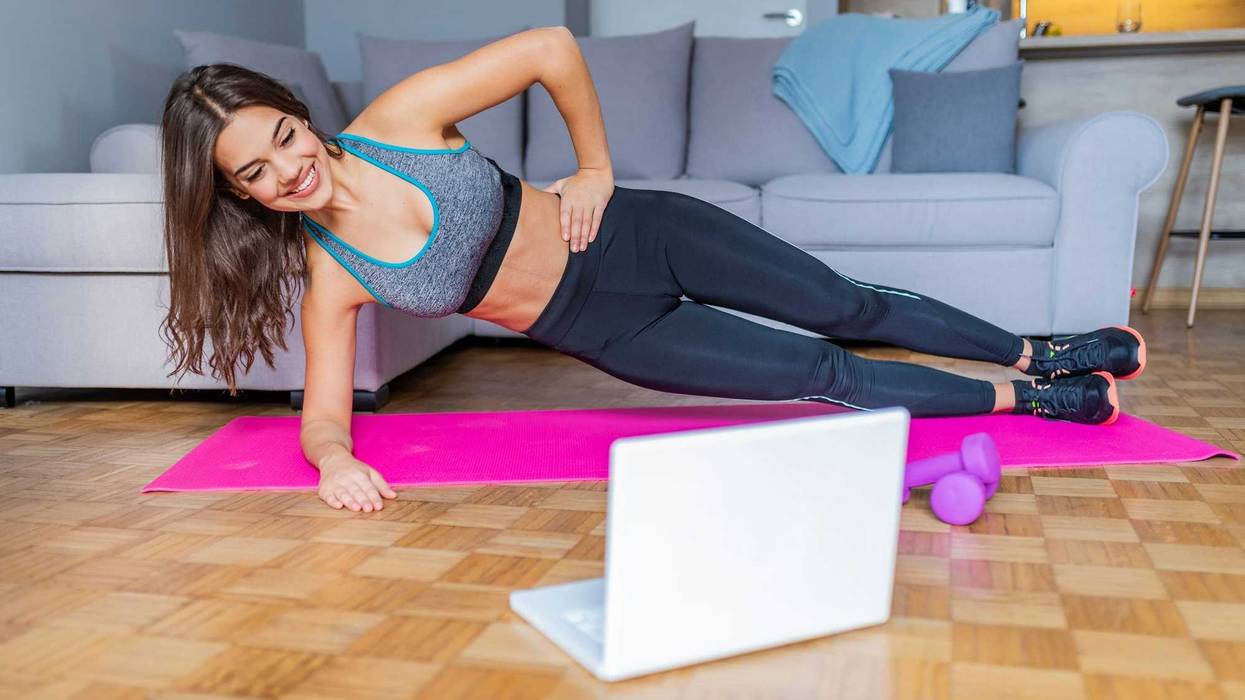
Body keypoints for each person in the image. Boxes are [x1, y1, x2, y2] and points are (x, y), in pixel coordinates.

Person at [159, 27, 1145, 513]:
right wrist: (333, 461)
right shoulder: (334, 275)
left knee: (844, 306)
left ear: (295, 109)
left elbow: (550, 47)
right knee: (820, 376)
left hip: (639, 233)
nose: (288, 166)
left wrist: (593, 167)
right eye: (257, 171)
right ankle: (1024, 398)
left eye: (282, 135)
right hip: (612, 333)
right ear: (241, 196)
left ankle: (1036, 346)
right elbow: (324, 416)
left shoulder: (399, 120)